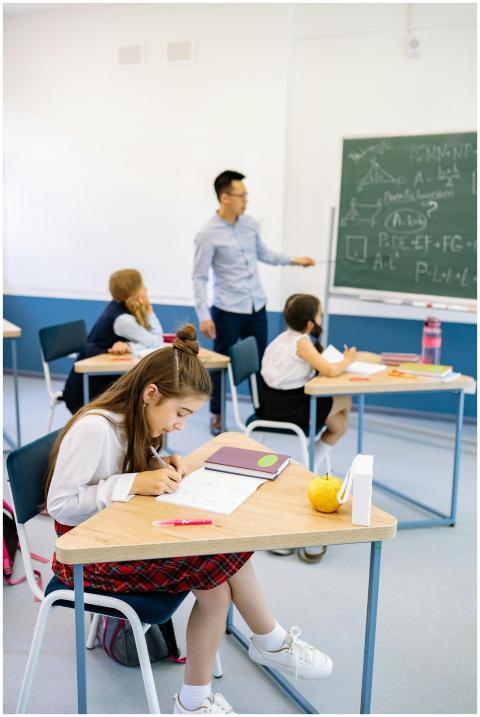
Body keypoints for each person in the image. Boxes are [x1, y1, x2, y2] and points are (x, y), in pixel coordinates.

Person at [45, 325, 333, 715]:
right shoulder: (96, 428)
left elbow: (120, 473)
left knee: (219, 573)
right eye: (180, 413)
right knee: (219, 566)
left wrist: (159, 464)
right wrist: (133, 481)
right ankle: (269, 642)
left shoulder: (134, 420)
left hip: (120, 533)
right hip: (84, 555)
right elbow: (60, 506)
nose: (181, 423)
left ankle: (197, 698)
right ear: (151, 393)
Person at [193, 170, 316, 436]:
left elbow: (264, 254)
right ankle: (217, 413)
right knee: (221, 366)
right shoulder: (207, 234)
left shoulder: (249, 224)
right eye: (241, 195)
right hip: (227, 310)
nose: (246, 200)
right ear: (225, 197)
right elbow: (199, 277)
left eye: (246, 195)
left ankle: (266, 412)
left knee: (263, 362)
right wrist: (204, 314)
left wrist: (294, 260)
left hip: (256, 306)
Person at [259, 293, 380, 470]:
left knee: (340, 424)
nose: (321, 318)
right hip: (287, 407)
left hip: (271, 401)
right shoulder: (301, 342)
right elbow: (330, 370)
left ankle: (312, 458)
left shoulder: (285, 337)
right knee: (345, 403)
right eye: (320, 315)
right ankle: (312, 462)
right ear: (309, 324)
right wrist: (348, 360)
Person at [62, 269, 164, 414]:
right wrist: (149, 310)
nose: (146, 289)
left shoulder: (120, 308)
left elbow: (149, 341)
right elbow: (156, 341)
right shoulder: (123, 319)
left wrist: (129, 346)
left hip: (101, 381)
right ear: (132, 292)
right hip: (87, 390)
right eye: (142, 286)